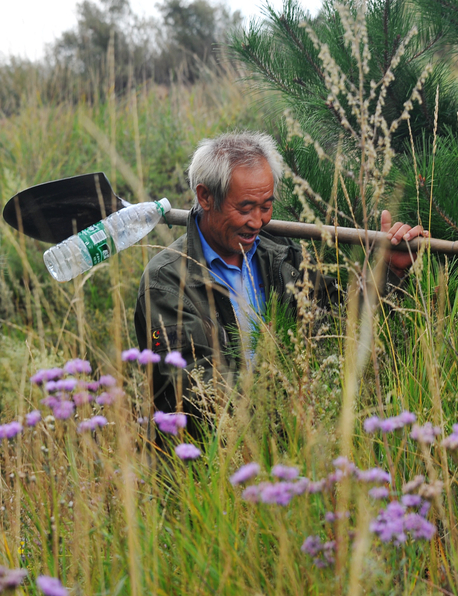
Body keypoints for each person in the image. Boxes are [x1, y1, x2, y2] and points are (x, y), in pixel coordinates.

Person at [133, 132, 427, 432]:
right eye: (245, 208)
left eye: (266, 206)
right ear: (205, 197)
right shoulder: (167, 281)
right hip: (214, 453)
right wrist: (293, 411)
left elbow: (344, 326)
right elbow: (196, 392)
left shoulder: (281, 256)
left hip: (298, 440)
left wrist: (388, 271)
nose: (257, 222)